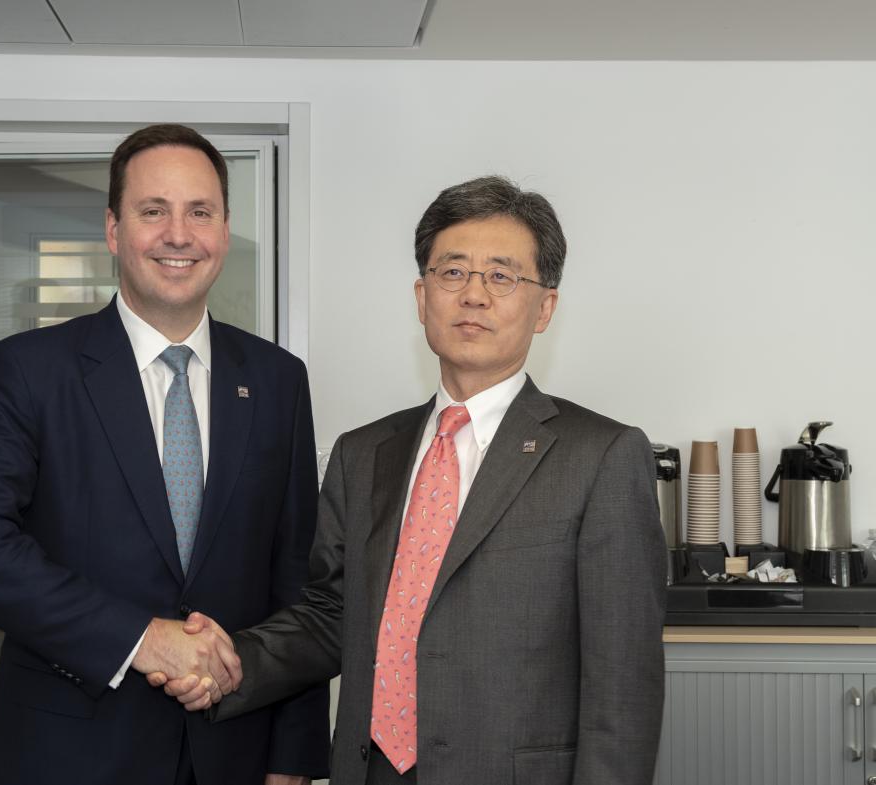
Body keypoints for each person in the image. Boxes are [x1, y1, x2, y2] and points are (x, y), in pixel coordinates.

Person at [154, 175, 667, 784]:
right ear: (422, 298)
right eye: (453, 273)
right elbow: (329, 615)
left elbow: (623, 689)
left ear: (545, 307)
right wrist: (230, 662)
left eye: (501, 276)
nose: (473, 295)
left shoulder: (602, 455)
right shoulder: (363, 452)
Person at [0, 123, 329, 785]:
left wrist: (294, 756)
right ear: (113, 229)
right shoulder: (32, 371)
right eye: (152, 210)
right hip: (69, 754)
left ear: (224, 230)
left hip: (235, 752)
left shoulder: (279, 380)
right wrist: (142, 635)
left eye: (200, 211)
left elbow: (297, 580)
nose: (178, 233)